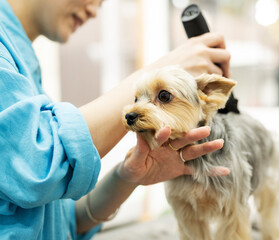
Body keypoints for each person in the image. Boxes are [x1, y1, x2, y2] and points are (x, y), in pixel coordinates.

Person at [0, 0, 232, 239]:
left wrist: (127, 177)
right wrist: (160, 69)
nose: (93, 11)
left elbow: (60, 220)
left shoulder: (24, 64)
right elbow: (34, 166)